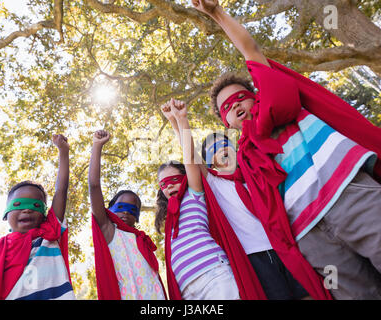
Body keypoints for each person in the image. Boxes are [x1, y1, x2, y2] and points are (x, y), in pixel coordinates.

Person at [192, 0, 381, 299]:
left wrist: (216, 14)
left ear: (255, 97)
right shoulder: (244, 156)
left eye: (240, 97)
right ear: (226, 122)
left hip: (349, 195)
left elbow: (251, 51)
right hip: (310, 234)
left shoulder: (279, 107)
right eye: (227, 107)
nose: (236, 105)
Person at [156, 99, 266, 300]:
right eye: (163, 184)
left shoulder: (195, 195)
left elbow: (190, 156)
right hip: (186, 288)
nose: (168, 186)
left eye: (173, 179)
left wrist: (179, 120)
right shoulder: (170, 218)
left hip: (215, 274)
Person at [0, 134, 75, 300]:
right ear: (6, 214)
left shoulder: (49, 233)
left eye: (35, 206)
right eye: (18, 205)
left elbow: (61, 190)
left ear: (44, 215)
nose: (26, 211)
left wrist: (63, 151)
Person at [201, 131, 311, 300]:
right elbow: (191, 161)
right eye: (214, 148)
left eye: (225, 143)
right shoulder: (215, 183)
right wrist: (180, 121)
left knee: (307, 292)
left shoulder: (253, 173)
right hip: (256, 256)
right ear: (210, 162)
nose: (222, 147)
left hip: (283, 243)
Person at [88, 129, 166, 300]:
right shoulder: (109, 230)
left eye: (132, 210)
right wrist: (97, 146)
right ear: (110, 208)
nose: (125, 212)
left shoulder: (141, 240)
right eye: (121, 206)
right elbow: (94, 186)